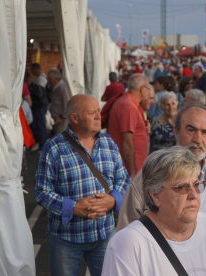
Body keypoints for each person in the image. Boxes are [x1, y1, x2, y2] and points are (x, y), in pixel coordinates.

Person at [117, 102, 206, 275]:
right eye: (191, 130)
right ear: (176, 132)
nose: (198, 139)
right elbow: (126, 232)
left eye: (205, 132)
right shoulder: (149, 175)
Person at [102, 146, 206, 275]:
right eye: (181, 187)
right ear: (155, 195)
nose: (193, 195)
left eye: (196, 184)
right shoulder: (128, 244)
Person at [34, 94, 131, 276]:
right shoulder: (53, 147)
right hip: (66, 238)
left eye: (98, 111)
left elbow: (124, 179)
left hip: (104, 233)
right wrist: (73, 207)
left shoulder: (109, 143)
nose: (98, 116)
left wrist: (113, 200)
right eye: (92, 112)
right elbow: (41, 192)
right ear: (74, 118)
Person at [108, 74, 150, 179]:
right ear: (142, 89)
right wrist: (132, 173)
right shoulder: (128, 106)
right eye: (148, 89)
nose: (148, 92)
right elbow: (127, 142)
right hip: (129, 170)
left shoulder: (129, 102)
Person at [26, 71, 48, 152]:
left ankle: (42, 145)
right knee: (38, 126)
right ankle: (40, 144)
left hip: (39, 108)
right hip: (39, 108)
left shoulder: (32, 87)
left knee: (40, 127)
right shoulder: (34, 86)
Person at [48, 69, 66, 135]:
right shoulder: (57, 87)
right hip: (56, 120)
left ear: (56, 79)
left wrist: (60, 116)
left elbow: (68, 105)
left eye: (49, 79)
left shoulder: (61, 88)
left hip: (61, 120)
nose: (48, 81)